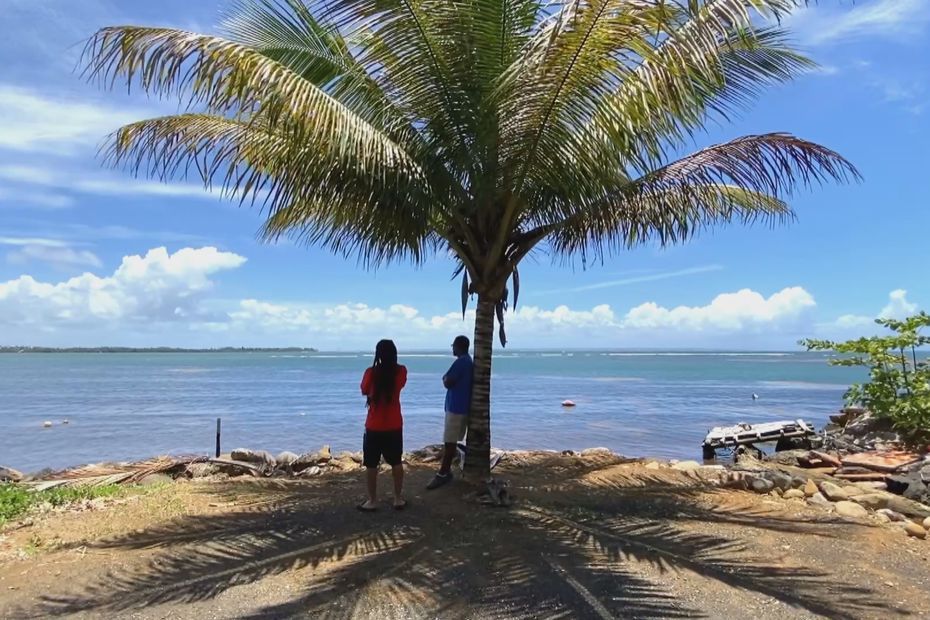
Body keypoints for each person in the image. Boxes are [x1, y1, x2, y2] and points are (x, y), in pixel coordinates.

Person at [358, 339, 408, 511]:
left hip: (373, 425)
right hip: (394, 424)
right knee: (396, 462)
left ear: (378, 354)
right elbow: (401, 384)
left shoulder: (371, 373)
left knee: (371, 464)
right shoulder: (401, 371)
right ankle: (398, 498)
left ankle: (372, 500)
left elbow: (364, 389)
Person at [427, 335, 473, 490]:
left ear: (459, 346)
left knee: (450, 442)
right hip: (461, 407)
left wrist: (446, 378)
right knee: (451, 442)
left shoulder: (461, 362)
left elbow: (448, 381)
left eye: (453, 345)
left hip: (456, 408)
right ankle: (447, 471)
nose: (452, 348)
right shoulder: (467, 361)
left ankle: (443, 474)